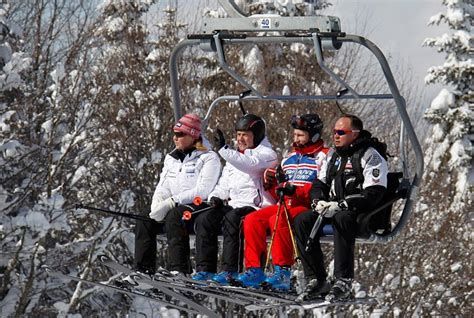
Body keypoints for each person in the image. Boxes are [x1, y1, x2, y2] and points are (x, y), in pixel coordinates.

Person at [293, 114, 388, 302]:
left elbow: (374, 193)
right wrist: (318, 201)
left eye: (341, 132)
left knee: (342, 218)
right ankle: (316, 278)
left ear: (354, 134)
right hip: (334, 208)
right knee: (302, 220)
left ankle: (343, 279)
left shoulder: (370, 156)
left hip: (361, 212)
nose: (336, 136)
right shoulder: (333, 156)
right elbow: (320, 183)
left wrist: (345, 204)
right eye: (334, 132)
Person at [234, 113, 329, 291]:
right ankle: (255, 269)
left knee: (278, 219)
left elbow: (323, 184)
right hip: (284, 204)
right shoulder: (290, 157)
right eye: (295, 135)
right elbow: (279, 191)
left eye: (300, 135)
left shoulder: (323, 156)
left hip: (306, 206)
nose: (296, 139)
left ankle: (282, 272)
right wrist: (271, 184)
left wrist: (298, 191)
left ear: (314, 135)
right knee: (252, 220)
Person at [190, 114, 278, 284]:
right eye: (238, 135)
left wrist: (224, 150)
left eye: (245, 135)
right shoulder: (233, 158)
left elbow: (249, 164)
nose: (240, 139)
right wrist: (216, 196)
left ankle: (231, 270)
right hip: (234, 204)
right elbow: (224, 183)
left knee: (233, 219)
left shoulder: (267, 154)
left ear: (257, 135)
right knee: (205, 219)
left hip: (256, 207)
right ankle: (205, 270)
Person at [133, 113, 221, 276]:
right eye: (174, 133)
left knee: (175, 216)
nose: (175, 138)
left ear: (193, 135)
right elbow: (164, 184)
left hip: (198, 204)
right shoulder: (171, 158)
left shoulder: (209, 158)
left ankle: (179, 269)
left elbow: (203, 190)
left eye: (180, 134)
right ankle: (143, 269)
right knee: (145, 218)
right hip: (176, 204)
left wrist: (172, 201)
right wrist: (158, 203)